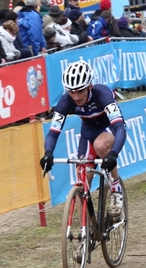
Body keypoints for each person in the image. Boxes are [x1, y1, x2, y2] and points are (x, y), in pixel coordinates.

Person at [40, 60, 126, 217]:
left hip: (108, 128)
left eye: (80, 91)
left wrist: (113, 154)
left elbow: (120, 127)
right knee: (81, 182)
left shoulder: (102, 94)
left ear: (89, 86)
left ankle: (115, 187)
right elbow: (53, 133)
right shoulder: (66, 101)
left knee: (100, 145)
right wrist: (48, 153)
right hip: (88, 132)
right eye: (72, 92)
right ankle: (84, 235)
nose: (76, 96)